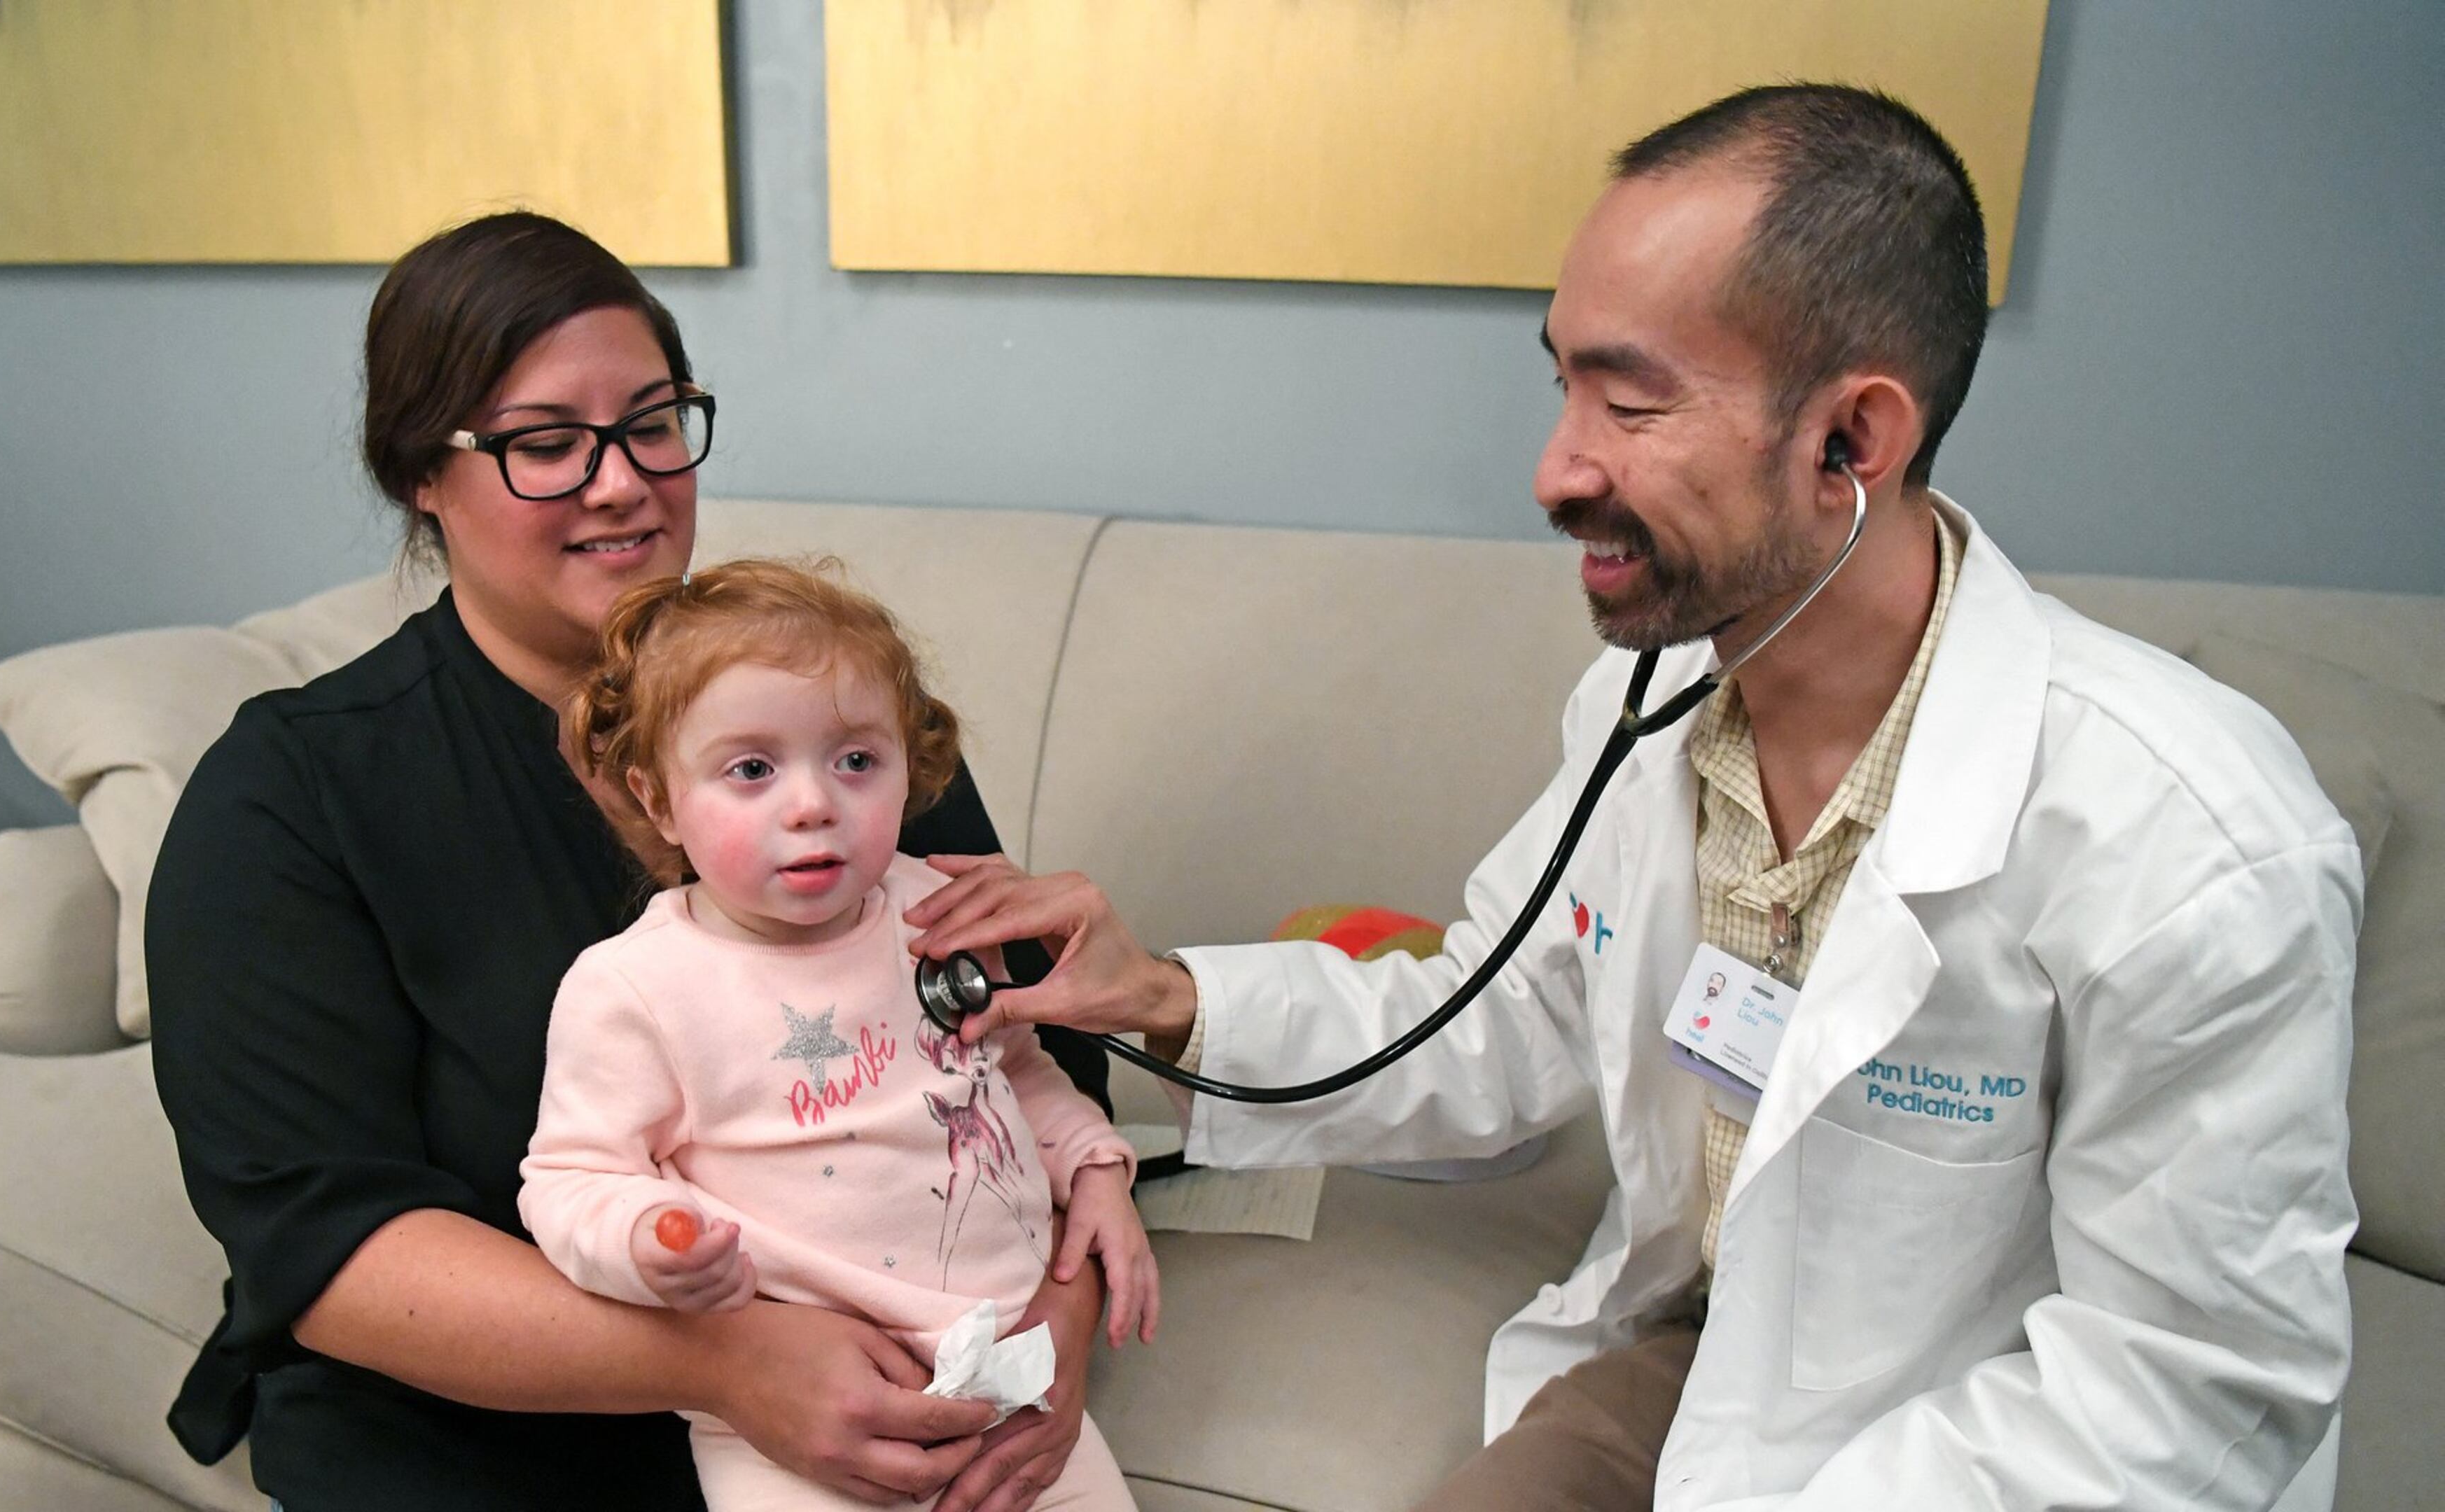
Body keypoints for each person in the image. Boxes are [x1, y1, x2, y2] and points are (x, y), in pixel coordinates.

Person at [905, 85, 2361, 1511]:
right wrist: (1161, 998)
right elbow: (1503, 1015)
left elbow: (2183, 1385)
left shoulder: (2190, 842)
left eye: (1634, 402)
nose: (1556, 470)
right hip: (1702, 1374)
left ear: (1852, 442)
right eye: (1564, 387)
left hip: (1991, 1443)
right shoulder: (1652, 705)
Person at [148, 211, 1117, 1512]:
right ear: (420, 474)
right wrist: (727, 1363)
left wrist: (1055, 1332)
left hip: (919, 1420)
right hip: (477, 1454)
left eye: (653, 424)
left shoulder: (830, 717)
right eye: (545, 444)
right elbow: (318, 1241)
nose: (621, 484)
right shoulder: (292, 794)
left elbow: (1028, 1058)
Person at [520, 558, 1156, 1511]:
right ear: (659, 801)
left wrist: (1096, 1166)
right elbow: (571, 1178)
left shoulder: (936, 912)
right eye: (752, 770)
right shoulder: (638, 988)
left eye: (856, 761)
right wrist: (650, 1238)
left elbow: (1015, 1072)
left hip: (1013, 1382)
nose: (815, 803)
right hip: (798, 1430)